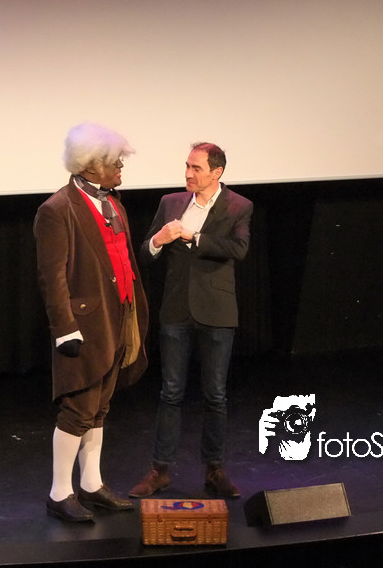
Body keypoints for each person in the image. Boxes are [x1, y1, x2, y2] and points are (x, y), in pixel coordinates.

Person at [34, 123, 148, 523]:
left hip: (119, 316)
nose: (121, 167)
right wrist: (64, 328)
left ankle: (91, 484)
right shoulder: (57, 210)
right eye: (115, 162)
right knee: (78, 409)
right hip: (85, 324)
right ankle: (59, 492)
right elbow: (52, 277)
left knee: (100, 407)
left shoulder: (114, 204)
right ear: (90, 166)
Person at [129, 142, 252, 499]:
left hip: (216, 310)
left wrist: (193, 237)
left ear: (216, 173)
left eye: (196, 168)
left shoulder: (239, 206)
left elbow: (239, 249)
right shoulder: (170, 203)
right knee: (170, 392)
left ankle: (215, 469)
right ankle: (160, 470)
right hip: (176, 309)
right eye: (187, 166)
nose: (188, 173)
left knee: (215, 394)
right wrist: (159, 239)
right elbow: (146, 253)